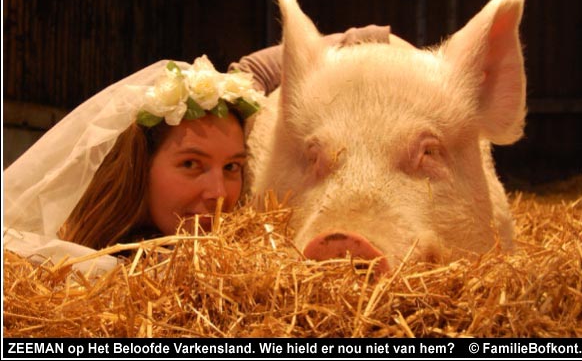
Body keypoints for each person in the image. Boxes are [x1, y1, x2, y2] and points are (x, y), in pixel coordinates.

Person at [3, 25, 394, 263]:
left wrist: (367, 39)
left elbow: (254, 73)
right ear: (141, 166)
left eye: (232, 168)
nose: (220, 195)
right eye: (191, 164)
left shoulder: (241, 247)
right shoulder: (64, 259)